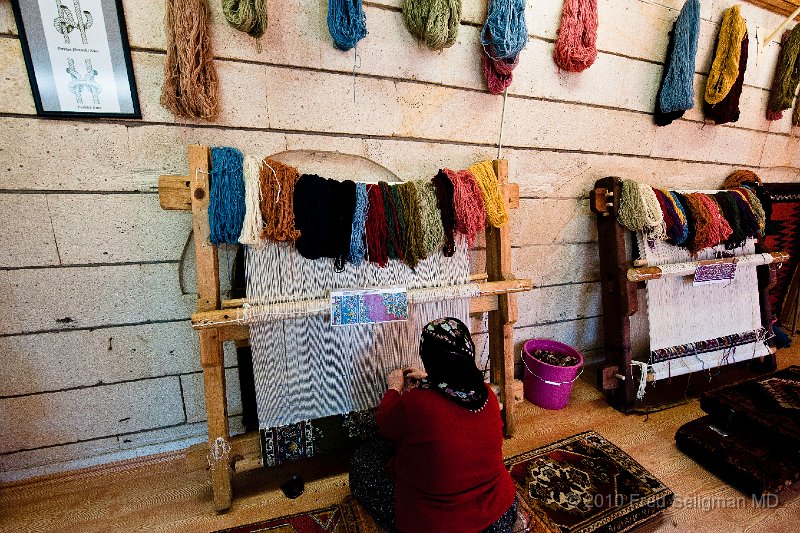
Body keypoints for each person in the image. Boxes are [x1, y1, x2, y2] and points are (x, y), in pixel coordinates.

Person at [349, 317, 517, 532]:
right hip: (500, 514)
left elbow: (385, 424)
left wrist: (393, 387)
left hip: (439, 526)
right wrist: (431, 379)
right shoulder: (487, 396)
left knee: (363, 462)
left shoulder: (417, 404)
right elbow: (453, 402)